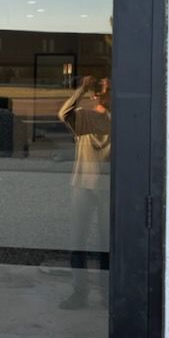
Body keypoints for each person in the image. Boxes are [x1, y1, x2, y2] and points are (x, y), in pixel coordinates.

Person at [57, 76, 111, 307]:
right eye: (100, 87)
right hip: (83, 185)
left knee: (107, 243)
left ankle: (108, 294)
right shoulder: (85, 117)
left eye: (107, 88)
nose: (102, 91)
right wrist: (82, 88)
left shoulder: (117, 119)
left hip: (108, 187)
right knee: (77, 240)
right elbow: (63, 114)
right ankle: (80, 293)